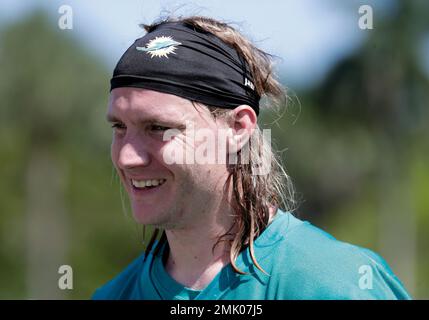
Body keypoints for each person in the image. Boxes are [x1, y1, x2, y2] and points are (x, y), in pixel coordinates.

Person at [92, 15, 411, 300]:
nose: (127, 157)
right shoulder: (113, 295)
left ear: (238, 127)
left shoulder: (337, 285)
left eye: (159, 128)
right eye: (119, 127)